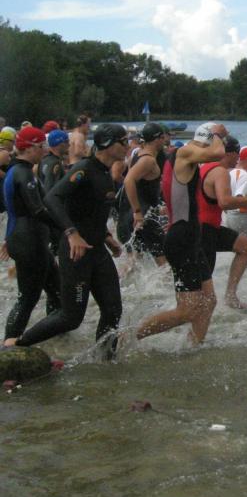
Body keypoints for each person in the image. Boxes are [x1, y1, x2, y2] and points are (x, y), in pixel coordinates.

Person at [14, 124, 127, 354]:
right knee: (71, 317)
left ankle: (105, 361)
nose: (127, 146)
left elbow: (89, 210)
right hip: (77, 253)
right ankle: (17, 345)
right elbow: (52, 198)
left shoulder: (105, 171)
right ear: (107, 144)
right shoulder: (84, 169)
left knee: (113, 309)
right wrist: (71, 233)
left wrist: (107, 236)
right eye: (123, 141)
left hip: (97, 251)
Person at [137, 122, 227, 345]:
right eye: (216, 138)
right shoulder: (184, 152)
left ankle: (193, 346)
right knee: (187, 310)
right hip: (181, 239)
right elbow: (218, 153)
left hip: (191, 238)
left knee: (209, 301)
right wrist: (217, 133)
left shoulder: (183, 156)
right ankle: (128, 336)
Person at [2, 127, 61, 345]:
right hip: (28, 241)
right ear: (28, 148)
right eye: (41, 146)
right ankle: (9, 346)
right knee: (28, 298)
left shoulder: (22, 170)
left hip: (29, 239)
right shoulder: (22, 173)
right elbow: (37, 210)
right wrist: (67, 228)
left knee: (58, 292)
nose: (44, 150)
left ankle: (56, 339)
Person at [196, 136, 247, 308]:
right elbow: (224, 202)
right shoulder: (220, 171)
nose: (238, 158)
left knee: (246, 247)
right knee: (204, 285)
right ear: (229, 153)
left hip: (206, 226)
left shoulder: (204, 167)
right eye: (237, 154)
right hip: (205, 229)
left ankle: (231, 297)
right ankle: (195, 311)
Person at [122, 122, 167, 265]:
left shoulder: (137, 154)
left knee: (134, 263)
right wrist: (137, 211)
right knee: (164, 263)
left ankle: (119, 280)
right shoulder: (148, 160)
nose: (165, 141)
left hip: (136, 215)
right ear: (157, 139)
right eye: (163, 137)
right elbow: (128, 180)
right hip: (144, 216)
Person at [223, 146, 247, 240]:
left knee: (243, 245)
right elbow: (239, 199)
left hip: (229, 217)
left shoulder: (230, 173)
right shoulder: (244, 175)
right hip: (240, 219)